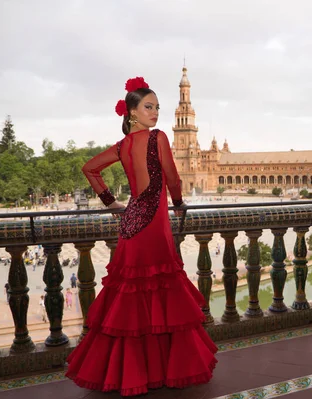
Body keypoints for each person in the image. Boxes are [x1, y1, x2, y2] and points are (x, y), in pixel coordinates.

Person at [65, 76, 217, 396]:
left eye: (158, 107)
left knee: (129, 300)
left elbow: (90, 169)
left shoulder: (122, 146)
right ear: (132, 112)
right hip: (154, 225)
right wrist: (178, 204)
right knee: (162, 296)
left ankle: (129, 373)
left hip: (131, 225)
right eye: (149, 107)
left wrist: (111, 203)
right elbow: (173, 177)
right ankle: (161, 370)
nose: (156, 112)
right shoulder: (157, 138)